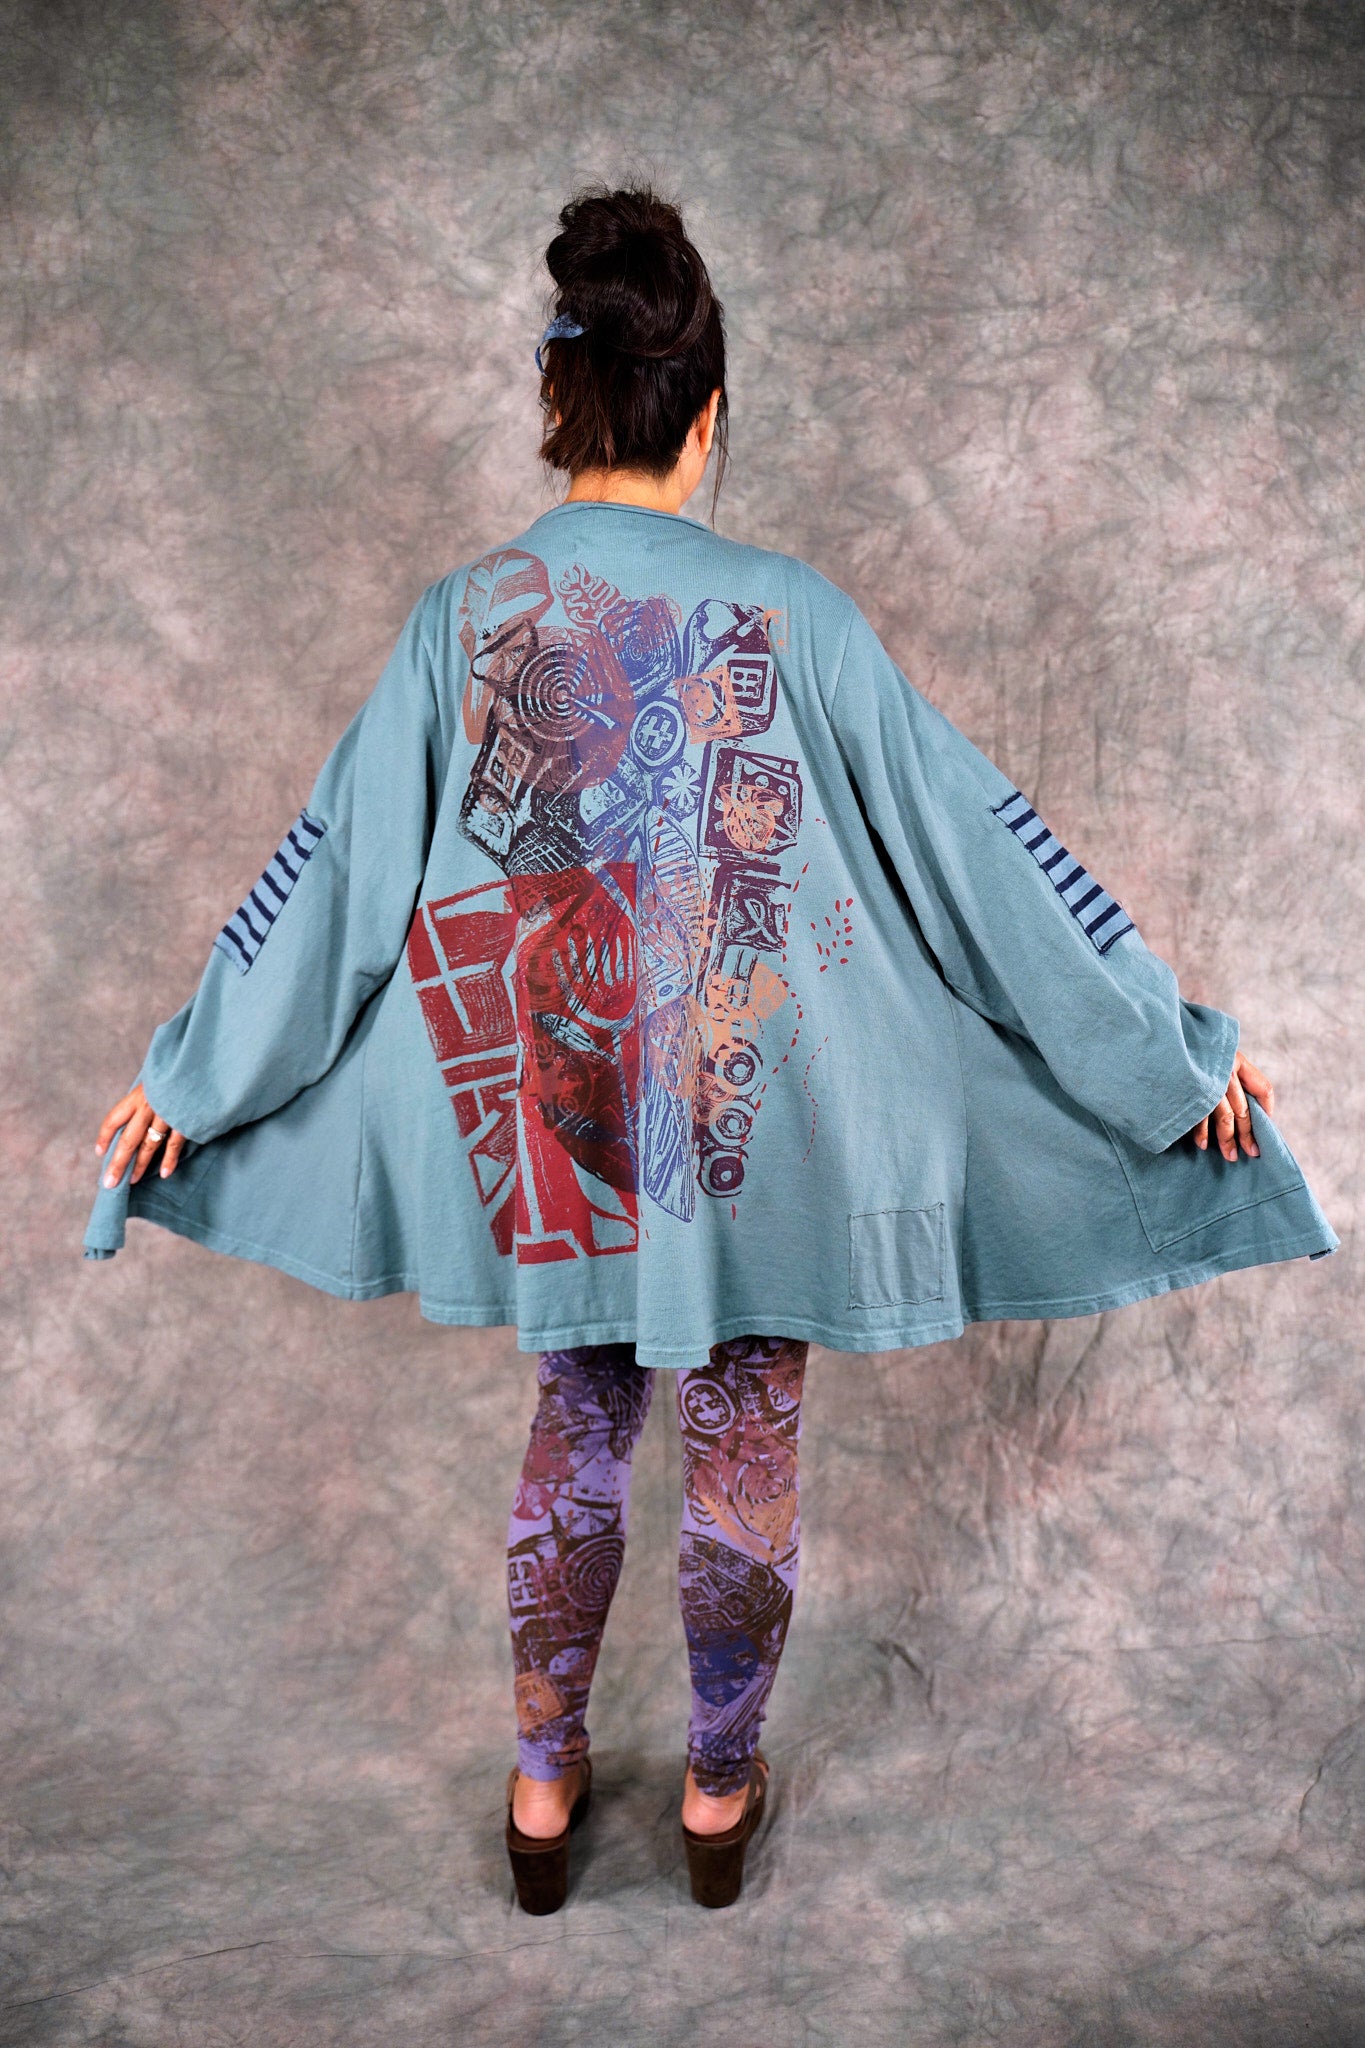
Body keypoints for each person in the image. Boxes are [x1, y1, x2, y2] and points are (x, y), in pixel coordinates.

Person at [87, 182, 1338, 1915]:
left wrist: (189, 1076)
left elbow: (328, 887)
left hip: (555, 1126)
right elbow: (987, 859)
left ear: (558, 397)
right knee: (745, 1436)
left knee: (578, 1415)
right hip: (761, 1122)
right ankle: (717, 1792)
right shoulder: (799, 615)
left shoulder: (463, 619)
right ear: (709, 413)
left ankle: (542, 1790)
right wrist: (1169, 1054)